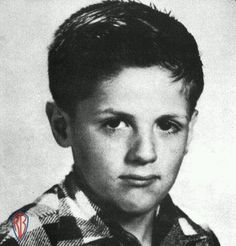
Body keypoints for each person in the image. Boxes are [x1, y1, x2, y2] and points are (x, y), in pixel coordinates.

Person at [0, 1, 220, 245]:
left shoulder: (200, 238)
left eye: (167, 125)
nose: (145, 153)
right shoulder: (22, 240)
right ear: (62, 126)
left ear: (189, 132)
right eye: (115, 124)